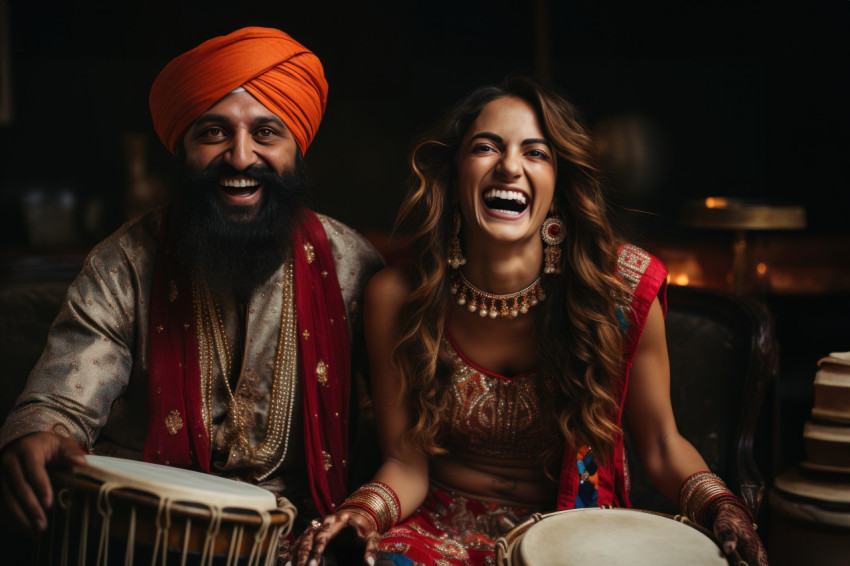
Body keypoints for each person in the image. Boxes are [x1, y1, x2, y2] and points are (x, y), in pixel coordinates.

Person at [291, 77, 768, 566]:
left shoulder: (617, 295)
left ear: (559, 184)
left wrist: (725, 508)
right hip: (433, 533)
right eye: (485, 147)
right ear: (455, 175)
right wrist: (359, 515)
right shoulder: (398, 298)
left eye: (536, 153)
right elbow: (405, 463)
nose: (510, 167)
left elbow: (663, 446)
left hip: (574, 534)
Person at [0, 26, 384, 547]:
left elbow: (405, 423)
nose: (242, 156)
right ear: (183, 147)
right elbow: (61, 402)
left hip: (298, 540)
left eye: (267, 133)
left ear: (297, 149)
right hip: (147, 536)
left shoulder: (353, 267)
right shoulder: (124, 264)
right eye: (214, 133)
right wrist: (39, 433)